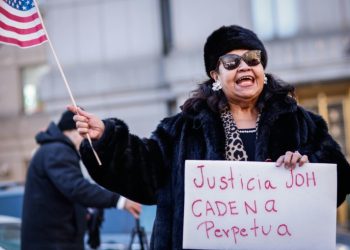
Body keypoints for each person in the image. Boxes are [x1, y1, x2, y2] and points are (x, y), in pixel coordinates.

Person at [69, 25, 350, 249]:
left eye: (253, 58)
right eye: (231, 61)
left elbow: (338, 180)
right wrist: (107, 138)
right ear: (216, 74)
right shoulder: (183, 129)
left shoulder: (302, 124)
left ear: (262, 70)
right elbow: (143, 172)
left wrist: (309, 164)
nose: (244, 66)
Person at [21, 110, 142, 250]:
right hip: (53, 243)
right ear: (74, 130)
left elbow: (65, 194)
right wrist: (119, 201)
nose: (86, 139)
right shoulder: (57, 150)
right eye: (84, 133)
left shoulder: (54, 149)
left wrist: (86, 213)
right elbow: (77, 188)